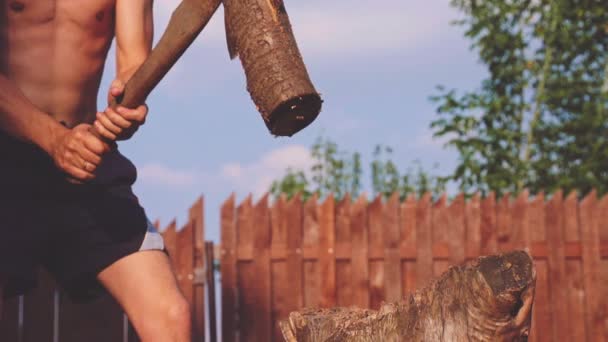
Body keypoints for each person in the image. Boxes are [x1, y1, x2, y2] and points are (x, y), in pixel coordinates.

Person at [0, 1, 191, 340]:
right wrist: (54, 140)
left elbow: (133, 62)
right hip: (8, 158)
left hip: (86, 155)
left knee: (171, 317)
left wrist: (128, 101)